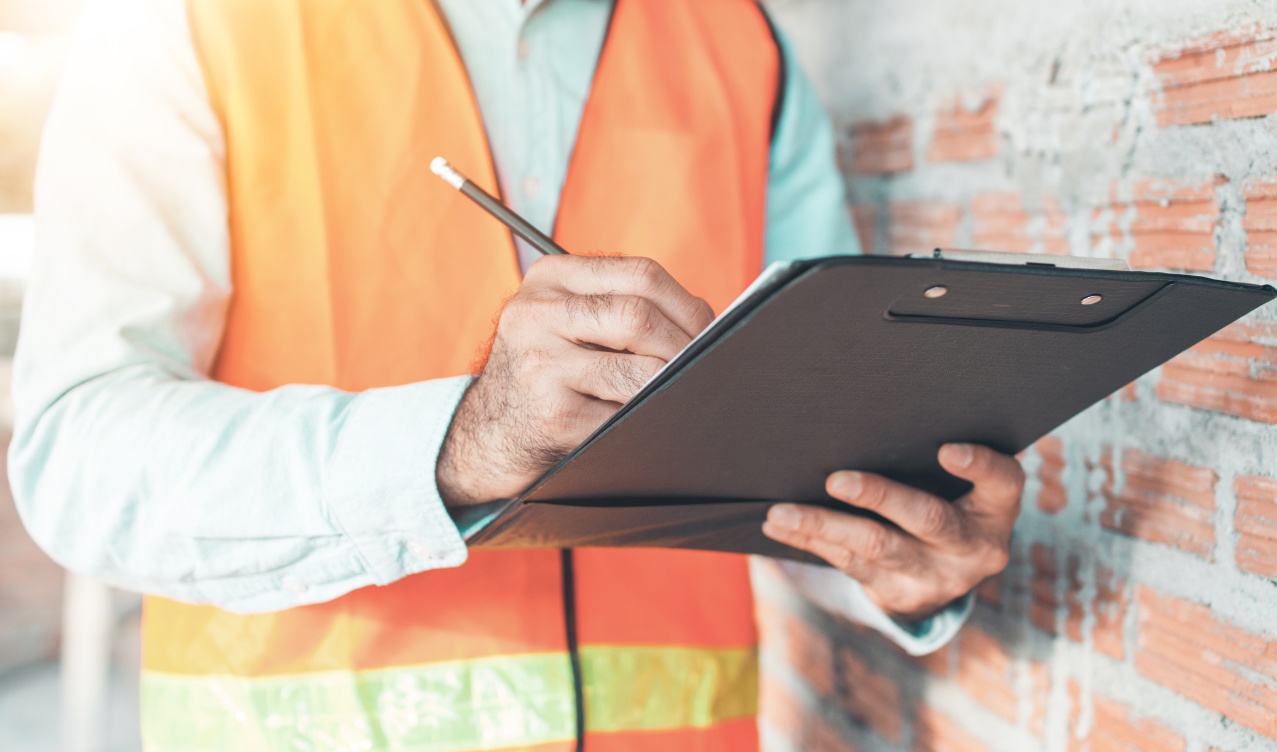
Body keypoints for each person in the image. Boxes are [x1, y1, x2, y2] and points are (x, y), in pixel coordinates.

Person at [12, 0, 1023, 749]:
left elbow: (805, 453)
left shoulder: (745, 49)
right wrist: (461, 442)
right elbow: (76, 456)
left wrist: (899, 558)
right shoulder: (186, 23)